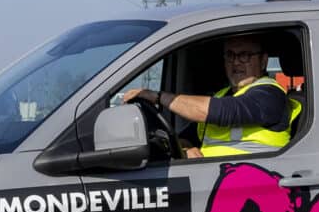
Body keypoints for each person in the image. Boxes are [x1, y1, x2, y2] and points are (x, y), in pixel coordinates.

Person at [120, 32, 300, 159]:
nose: (236, 62)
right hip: (216, 186)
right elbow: (184, 137)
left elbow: (222, 111)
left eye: (244, 55)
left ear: (263, 61)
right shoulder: (222, 95)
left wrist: (158, 97)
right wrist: (186, 148)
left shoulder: (270, 94)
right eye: (230, 55)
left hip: (258, 189)